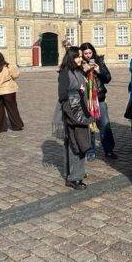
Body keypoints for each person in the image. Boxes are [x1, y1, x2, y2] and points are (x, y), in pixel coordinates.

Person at [57, 48, 93, 189]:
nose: (80, 59)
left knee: (81, 144)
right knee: (77, 145)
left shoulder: (77, 71)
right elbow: (63, 96)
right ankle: (73, 178)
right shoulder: (65, 73)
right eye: (77, 57)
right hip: (73, 112)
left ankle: (77, 173)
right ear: (71, 58)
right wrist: (75, 116)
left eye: (80, 56)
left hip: (81, 110)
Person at [81, 42, 115, 159]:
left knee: (104, 124)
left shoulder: (99, 61)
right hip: (86, 100)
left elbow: (108, 78)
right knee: (89, 126)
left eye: (90, 53)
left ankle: (109, 149)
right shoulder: (79, 64)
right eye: (86, 53)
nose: (88, 55)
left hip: (99, 98)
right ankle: (90, 151)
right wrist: (84, 71)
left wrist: (99, 70)